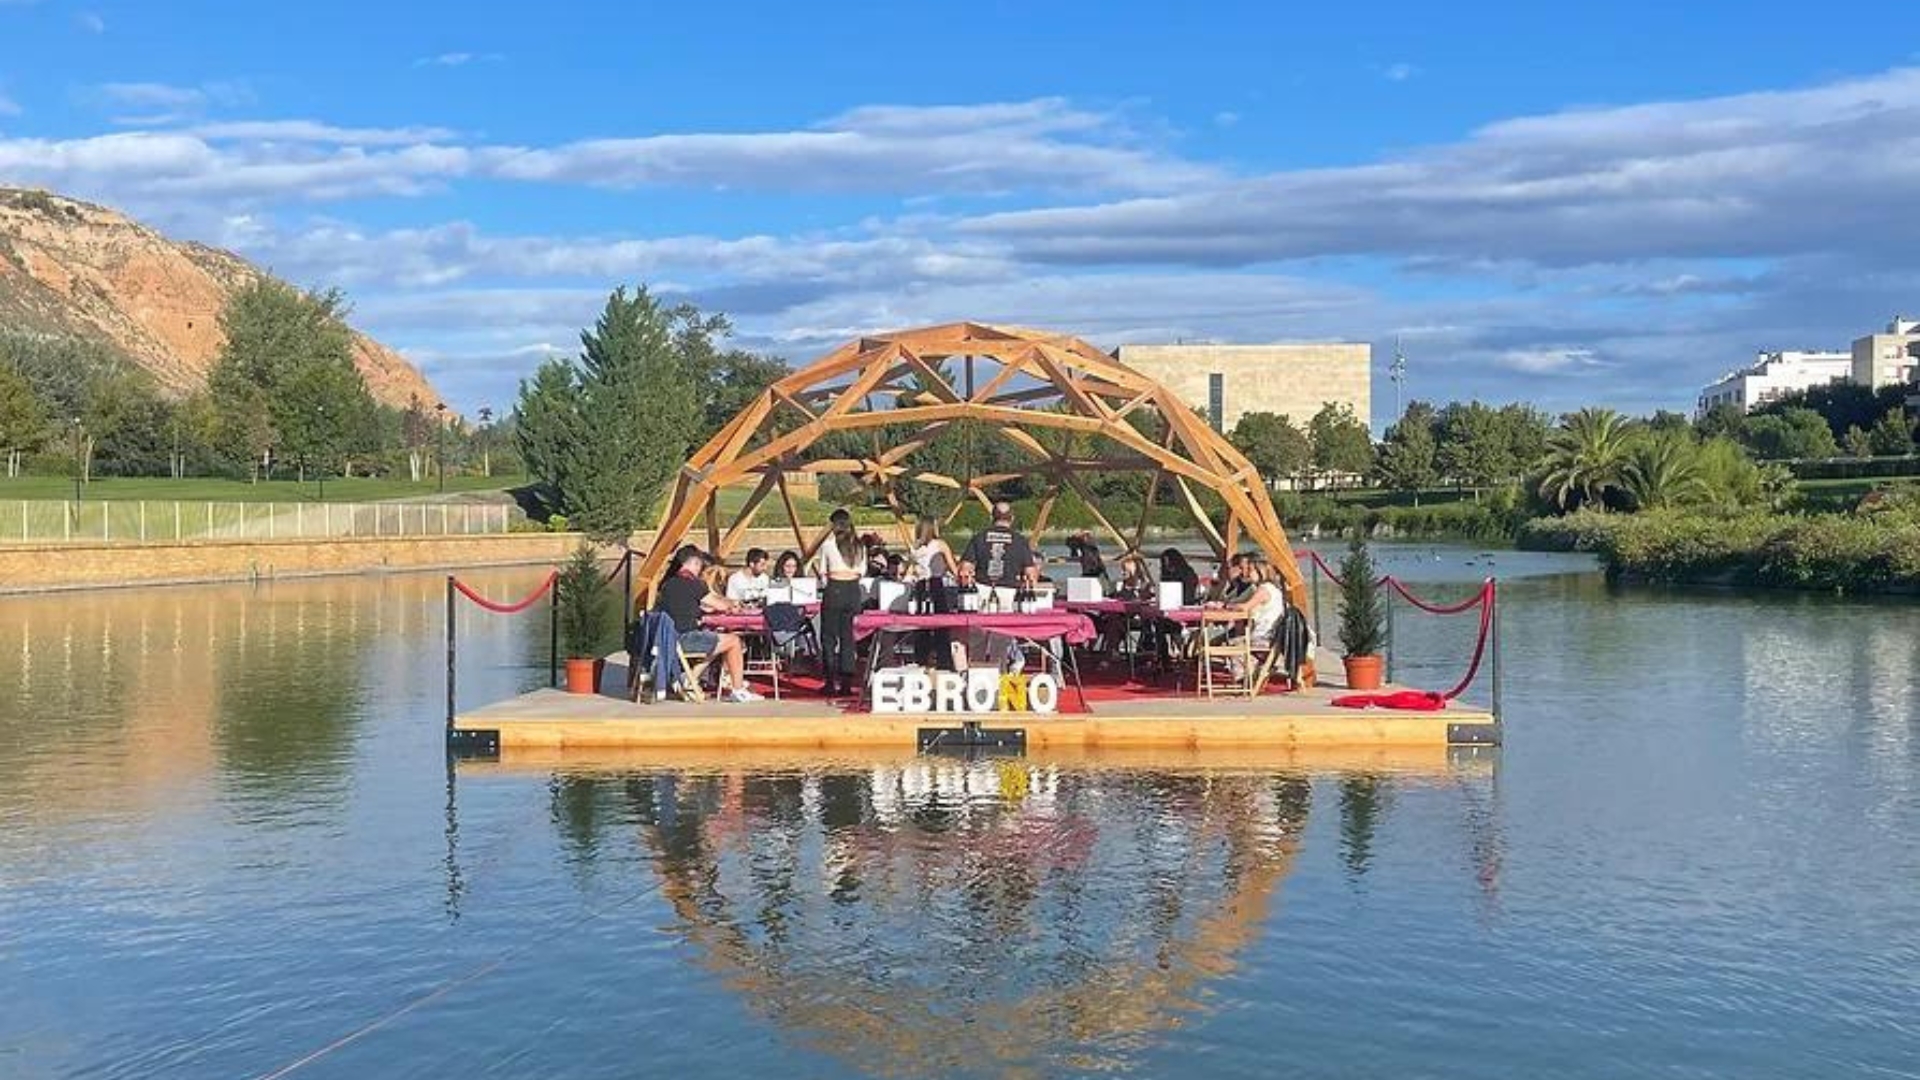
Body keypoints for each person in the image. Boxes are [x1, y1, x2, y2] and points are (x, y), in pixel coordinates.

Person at [652, 548, 763, 703]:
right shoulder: (693, 584)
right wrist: (734, 604)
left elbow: (685, 606)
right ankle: (738, 690)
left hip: (667, 640)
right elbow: (719, 604)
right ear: (692, 564)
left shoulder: (667, 584)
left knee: (716, 640)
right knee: (734, 641)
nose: (700, 569)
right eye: (699, 565)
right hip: (684, 639)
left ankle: (690, 677)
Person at [813, 508, 868, 697]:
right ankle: (846, 683)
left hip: (835, 588)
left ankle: (830, 681)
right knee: (848, 638)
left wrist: (827, 584)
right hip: (853, 589)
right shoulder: (859, 546)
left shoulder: (829, 545)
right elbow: (862, 571)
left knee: (829, 637)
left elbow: (822, 571)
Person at [962, 501, 1036, 587]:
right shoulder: (1020, 541)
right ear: (1012, 518)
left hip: (983, 588)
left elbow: (965, 569)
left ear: (991, 517)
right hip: (1011, 589)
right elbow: (1030, 573)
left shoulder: (979, 538)